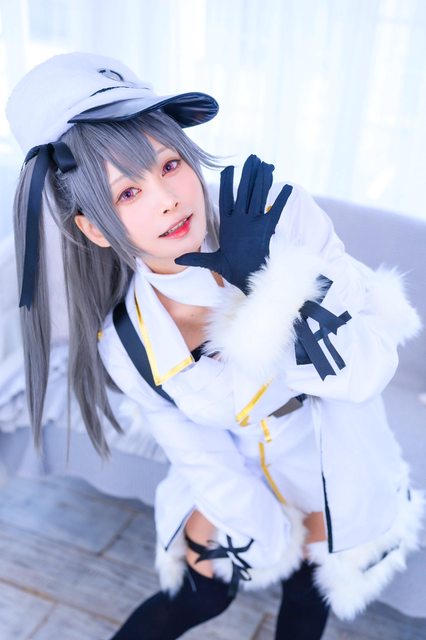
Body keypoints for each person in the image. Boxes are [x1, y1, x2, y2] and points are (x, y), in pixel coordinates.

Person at [6, 52, 424, 640]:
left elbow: (368, 370)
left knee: (308, 601)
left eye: (170, 163)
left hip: (336, 451)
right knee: (197, 596)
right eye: (128, 193)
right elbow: (203, 456)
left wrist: (270, 288)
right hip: (239, 466)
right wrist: (264, 535)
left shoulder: (277, 217)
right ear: (94, 228)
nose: (168, 199)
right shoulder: (127, 343)